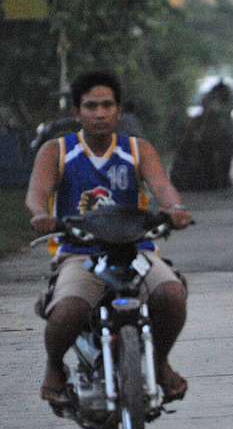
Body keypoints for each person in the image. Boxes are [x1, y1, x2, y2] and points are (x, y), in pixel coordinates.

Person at [26, 70, 193, 407]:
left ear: (119, 111)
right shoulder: (56, 151)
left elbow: (161, 186)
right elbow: (37, 194)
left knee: (172, 294)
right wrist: (42, 216)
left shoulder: (137, 149)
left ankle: (159, 363)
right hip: (80, 253)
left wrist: (174, 208)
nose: (99, 113)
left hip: (135, 250)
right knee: (69, 309)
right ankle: (54, 367)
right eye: (90, 106)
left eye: (107, 105)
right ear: (77, 112)